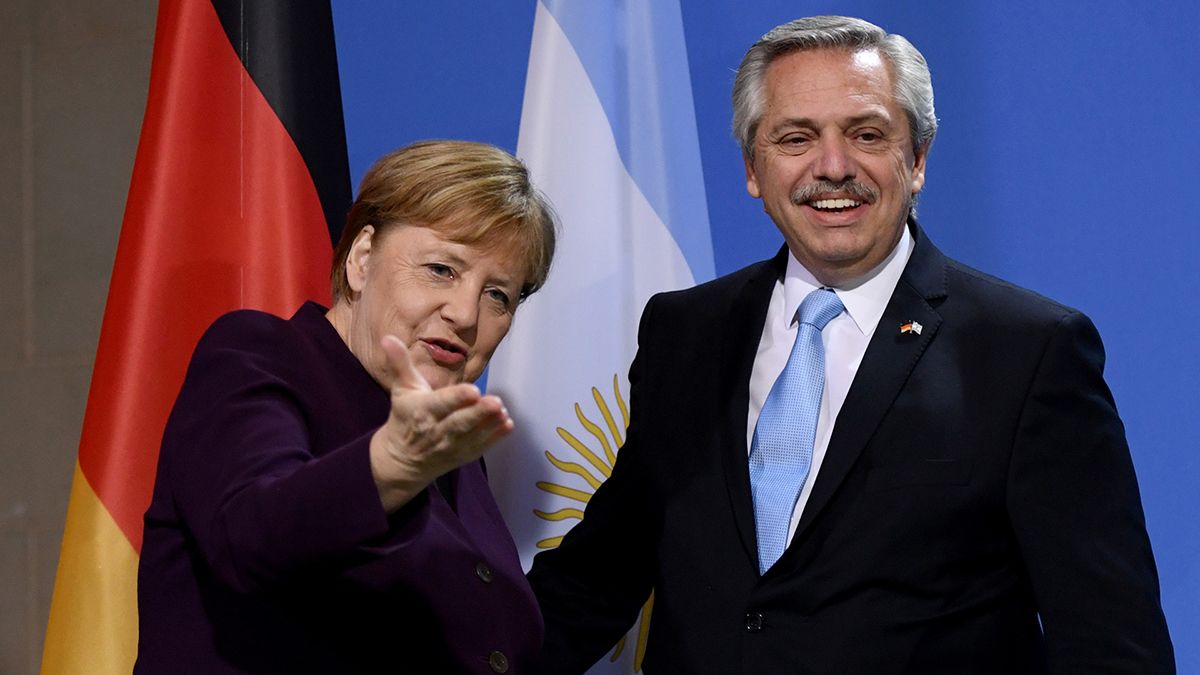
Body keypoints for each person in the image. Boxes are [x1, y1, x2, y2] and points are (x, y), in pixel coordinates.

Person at [528, 16, 1174, 673]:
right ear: (753, 167)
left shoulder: (1029, 351)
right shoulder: (684, 331)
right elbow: (597, 576)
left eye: (866, 134)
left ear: (917, 158)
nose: (832, 167)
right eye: (796, 138)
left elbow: (1110, 640)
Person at [136, 140, 557, 673]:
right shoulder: (259, 355)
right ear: (361, 259)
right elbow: (252, 536)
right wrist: (392, 466)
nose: (465, 313)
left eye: (498, 294)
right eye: (442, 269)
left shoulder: (449, 447)